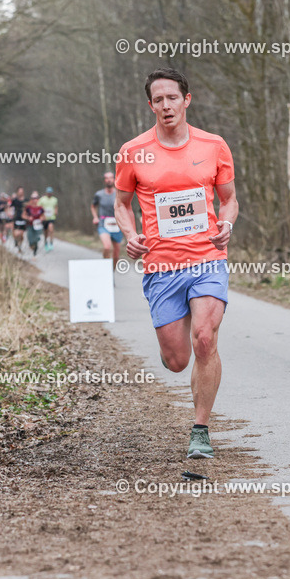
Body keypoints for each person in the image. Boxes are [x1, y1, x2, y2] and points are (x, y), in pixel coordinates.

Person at [114, 68, 237, 460]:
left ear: (187, 100)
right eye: (158, 99)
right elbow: (121, 203)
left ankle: (200, 431)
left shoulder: (214, 145)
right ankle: (180, 344)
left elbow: (229, 198)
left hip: (207, 258)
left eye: (172, 97)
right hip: (161, 267)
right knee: (176, 359)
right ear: (150, 105)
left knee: (205, 338)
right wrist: (130, 236)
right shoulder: (134, 151)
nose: (166, 105)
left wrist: (227, 224)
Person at [91, 172, 124, 269]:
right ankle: (105, 268)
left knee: (116, 253)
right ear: (104, 180)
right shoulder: (99, 194)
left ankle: (112, 272)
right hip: (103, 223)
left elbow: (125, 207)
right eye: (107, 178)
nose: (109, 180)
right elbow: (93, 206)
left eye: (111, 178)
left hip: (117, 224)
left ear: (114, 179)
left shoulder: (119, 193)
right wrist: (95, 217)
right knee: (107, 247)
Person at [38, 187, 59, 252]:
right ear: (46, 193)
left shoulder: (54, 199)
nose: (49, 194)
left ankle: (51, 242)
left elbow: (56, 207)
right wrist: (41, 215)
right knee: (46, 232)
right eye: (48, 193)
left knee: (51, 229)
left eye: (50, 193)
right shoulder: (42, 199)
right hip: (45, 218)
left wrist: (56, 211)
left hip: (51, 217)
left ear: (52, 193)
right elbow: (39, 207)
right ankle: (46, 242)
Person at [25, 191, 45, 255]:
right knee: (30, 240)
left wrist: (42, 218)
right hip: (30, 225)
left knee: (36, 239)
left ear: (38, 199)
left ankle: (35, 253)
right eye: (33, 198)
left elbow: (44, 216)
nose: (35, 200)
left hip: (38, 226)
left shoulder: (40, 208)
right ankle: (32, 246)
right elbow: (23, 215)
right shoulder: (28, 207)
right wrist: (28, 218)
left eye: (36, 198)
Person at [10, 187, 27, 252]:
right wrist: (9, 214)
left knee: (21, 235)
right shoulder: (15, 200)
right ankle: (16, 241)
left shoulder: (26, 200)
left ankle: (20, 247)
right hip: (16, 218)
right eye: (19, 192)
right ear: (17, 192)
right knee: (16, 234)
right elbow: (10, 207)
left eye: (22, 192)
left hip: (23, 219)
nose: (21, 193)